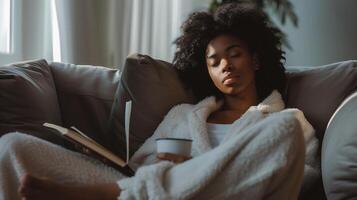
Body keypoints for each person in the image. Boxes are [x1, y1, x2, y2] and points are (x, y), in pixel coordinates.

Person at [0, 2, 318, 200]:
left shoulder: (287, 119)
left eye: (234, 54)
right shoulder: (183, 115)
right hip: (144, 190)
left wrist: (212, 173)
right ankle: (116, 194)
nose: (226, 66)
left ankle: (105, 196)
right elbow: (142, 168)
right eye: (214, 61)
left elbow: (301, 180)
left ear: (256, 60)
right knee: (13, 146)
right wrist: (169, 167)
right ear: (205, 71)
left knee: (283, 132)